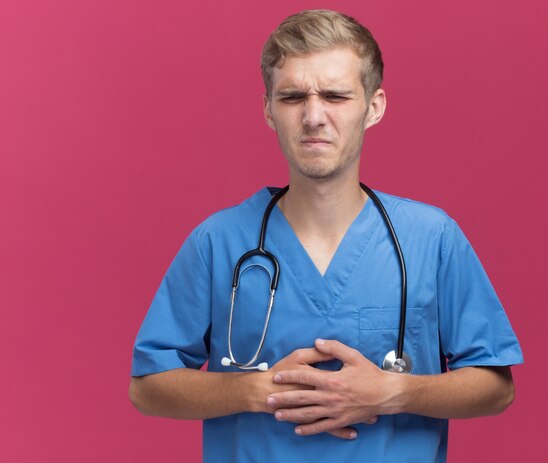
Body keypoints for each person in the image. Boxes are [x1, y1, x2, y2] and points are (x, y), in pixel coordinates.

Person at [129, 9, 523, 463]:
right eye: (293, 96)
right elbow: (147, 388)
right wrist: (259, 390)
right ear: (268, 110)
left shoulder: (431, 239)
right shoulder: (217, 242)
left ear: (373, 108)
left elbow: (496, 388)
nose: (313, 116)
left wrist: (392, 392)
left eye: (335, 96)